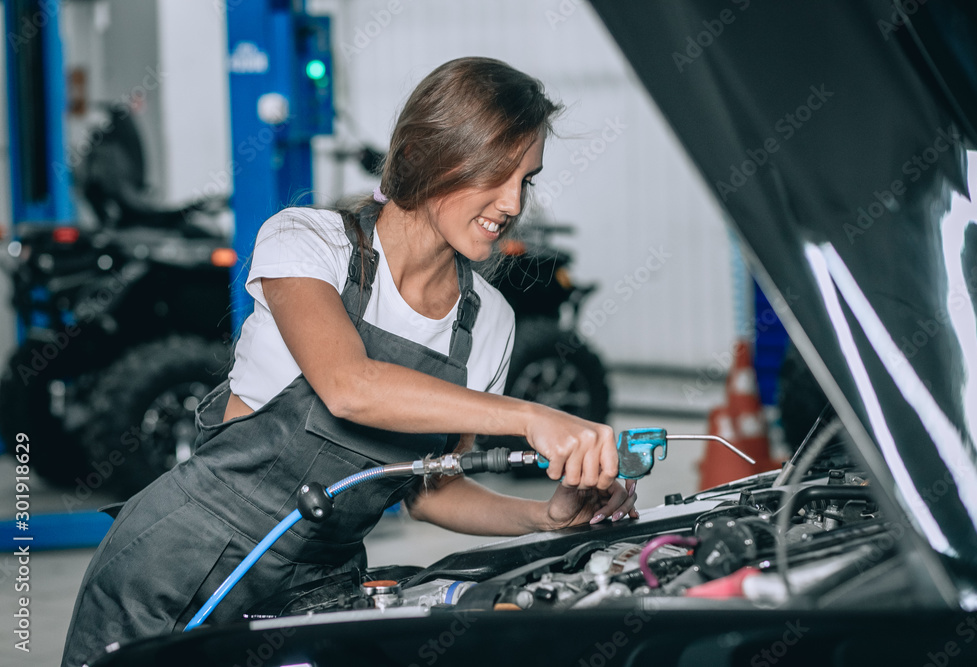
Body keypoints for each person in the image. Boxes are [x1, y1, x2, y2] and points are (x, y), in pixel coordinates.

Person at [61, 56, 637, 667]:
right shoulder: (309, 243)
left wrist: (545, 518)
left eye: (527, 179)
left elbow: (431, 491)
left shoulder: (489, 321)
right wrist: (527, 416)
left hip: (319, 589)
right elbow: (348, 386)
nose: (512, 202)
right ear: (428, 154)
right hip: (178, 564)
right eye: (496, 174)